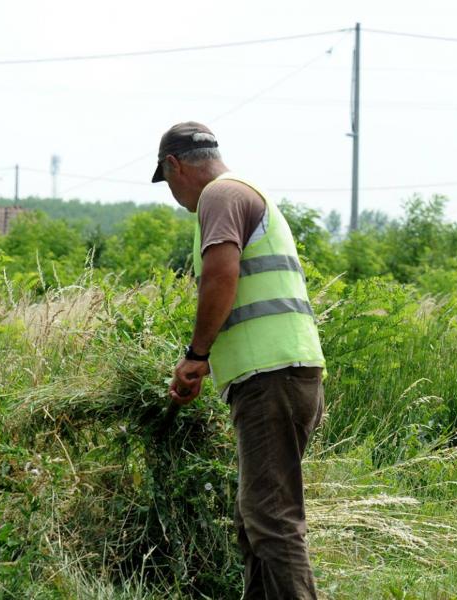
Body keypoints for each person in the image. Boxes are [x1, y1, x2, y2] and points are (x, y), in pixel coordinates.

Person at [155, 122, 326, 599]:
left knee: (272, 520)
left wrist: (197, 355)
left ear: (175, 165)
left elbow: (220, 274)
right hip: (286, 374)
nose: (174, 194)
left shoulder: (219, 196)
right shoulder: (245, 193)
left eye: (167, 181)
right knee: (256, 520)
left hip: (270, 376)